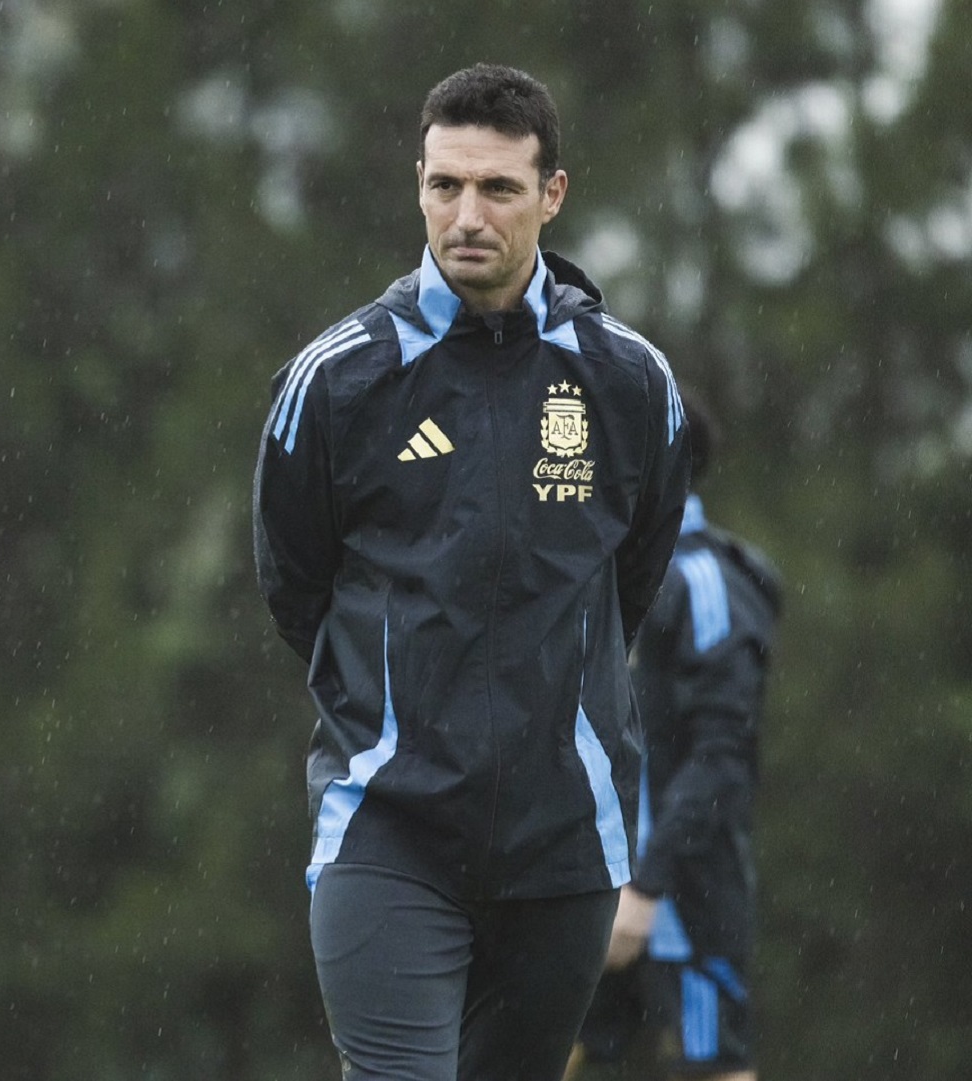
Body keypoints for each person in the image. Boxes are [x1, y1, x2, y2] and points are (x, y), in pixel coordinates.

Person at [252, 63, 691, 1081]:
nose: (467, 215)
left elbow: (634, 575)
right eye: (445, 185)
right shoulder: (337, 380)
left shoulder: (628, 380)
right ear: (418, 185)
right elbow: (296, 584)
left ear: (553, 195)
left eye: (497, 188)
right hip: (389, 828)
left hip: (565, 844)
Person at [567, 396, 781, 1081]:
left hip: (680, 900)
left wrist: (647, 887)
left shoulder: (707, 582)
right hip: (585, 890)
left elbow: (721, 759)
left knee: (713, 1067)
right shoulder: (596, 578)